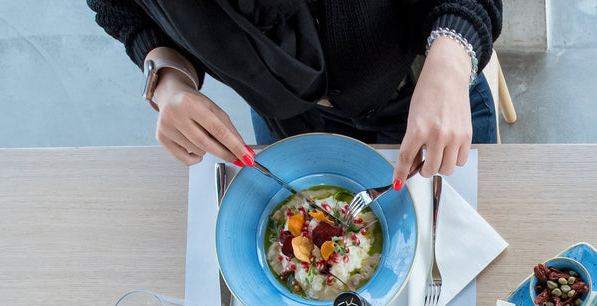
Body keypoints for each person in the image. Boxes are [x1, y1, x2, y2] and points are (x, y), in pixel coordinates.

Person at [87, 0, 502, 181]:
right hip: (283, 116)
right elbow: (119, 7)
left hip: (425, 89)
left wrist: (450, 61)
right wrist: (166, 77)